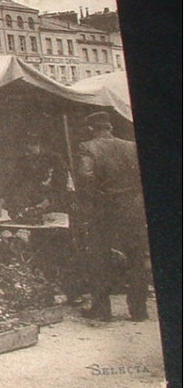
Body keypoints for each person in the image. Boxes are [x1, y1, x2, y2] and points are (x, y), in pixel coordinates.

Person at [76, 111, 150, 322]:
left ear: (91, 128)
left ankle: (102, 310)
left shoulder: (87, 147)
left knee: (100, 258)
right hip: (133, 209)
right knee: (136, 258)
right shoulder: (131, 146)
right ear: (110, 127)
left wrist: (93, 203)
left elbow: (86, 178)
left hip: (104, 210)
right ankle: (139, 311)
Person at [0, 130, 69, 222]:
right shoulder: (23, 160)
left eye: (28, 151)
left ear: (36, 145)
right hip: (34, 201)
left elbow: (60, 188)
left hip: (54, 202)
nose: (26, 154)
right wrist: (1, 202)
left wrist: (44, 204)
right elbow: (14, 182)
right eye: (24, 151)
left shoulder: (55, 159)